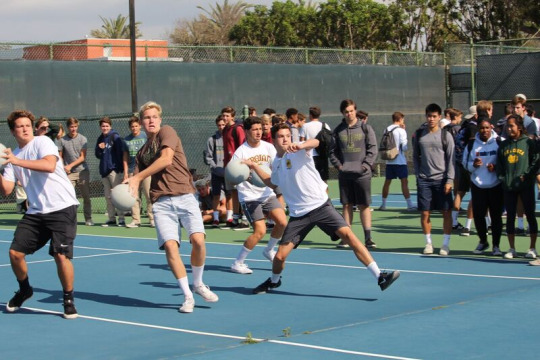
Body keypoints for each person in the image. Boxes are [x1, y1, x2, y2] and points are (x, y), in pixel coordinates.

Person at [245, 123, 399, 294]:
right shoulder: (276, 163)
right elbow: (272, 182)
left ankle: (380, 277)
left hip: (321, 206)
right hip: (299, 216)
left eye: (288, 135)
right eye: (281, 136)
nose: (285, 139)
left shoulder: (299, 151)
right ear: (273, 140)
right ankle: (274, 281)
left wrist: (302, 144)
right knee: (280, 256)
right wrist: (254, 167)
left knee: (349, 235)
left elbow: (316, 143)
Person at [128, 101, 219, 313]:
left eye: (154, 117)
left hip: (185, 195)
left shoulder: (167, 132)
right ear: (141, 123)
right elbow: (135, 178)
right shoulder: (142, 153)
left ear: (159, 119)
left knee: (198, 240)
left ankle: (198, 283)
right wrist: (128, 186)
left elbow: (166, 159)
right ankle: (188, 295)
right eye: (146, 117)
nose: (150, 120)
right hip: (161, 202)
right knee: (171, 246)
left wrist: (139, 177)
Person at [1, 109, 80, 319]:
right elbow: (7, 189)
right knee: (15, 254)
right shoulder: (12, 156)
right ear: (13, 130)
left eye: (28, 125)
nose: (25, 128)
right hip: (36, 211)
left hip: (62, 207)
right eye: (20, 126)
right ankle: (25, 289)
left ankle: (68, 298)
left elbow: (48, 165)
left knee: (60, 255)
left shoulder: (42, 142)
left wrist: (15, 162)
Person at [230, 116, 287, 274]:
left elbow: (276, 166)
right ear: (247, 131)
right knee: (260, 231)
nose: (258, 132)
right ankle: (238, 262)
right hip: (249, 197)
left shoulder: (269, 147)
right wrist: (248, 176)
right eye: (254, 129)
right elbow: (234, 176)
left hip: (267, 193)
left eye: (260, 129)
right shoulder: (241, 153)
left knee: (282, 222)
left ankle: (269, 250)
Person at [329, 99, 378, 249]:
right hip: (345, 174)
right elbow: (332, 152)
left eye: (351, 111)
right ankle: (346, 238)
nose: (349, 114)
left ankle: (368, 238)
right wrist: (339, 166)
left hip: (362, 174)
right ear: (342, 113)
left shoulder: (365, 128)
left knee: (364, 205)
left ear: (355, 110)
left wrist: (365, 166)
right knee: (346, 205)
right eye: (346, 112)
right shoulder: (338, 130)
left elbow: (373, 148)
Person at [412, 103, 455, 256]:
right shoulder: (419, 135)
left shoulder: (446, 135)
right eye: (429, 116)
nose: (431, 119)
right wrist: (418, 175)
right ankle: (429, 243)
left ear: (439, 117)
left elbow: (451, 159)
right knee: (425, 213)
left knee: (446, 212)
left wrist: (449, 180)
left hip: (442, 180)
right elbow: (415, 157)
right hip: (424, 180)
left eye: (434, 116)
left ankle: (445, 244)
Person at [496, 114, 539, 260]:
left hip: (525, 186)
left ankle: (532, 248)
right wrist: (503, 178)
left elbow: (535, 161)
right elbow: (499, 165)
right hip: (509, 187)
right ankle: (512, 248)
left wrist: (527, 175)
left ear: (519, 127)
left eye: (511, 126)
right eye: (507, 126)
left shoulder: (528, 143)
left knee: (530, 216)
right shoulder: (503, 145)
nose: (509, 129)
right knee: (510, 218)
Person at [462, 118, 504, 256]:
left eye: (487, 128)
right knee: (479, 216)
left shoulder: (499, 142)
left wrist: (496, 168)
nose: (484, 131)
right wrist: (473, 166)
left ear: (491, 127)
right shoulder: (472, 144)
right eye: (482, 128)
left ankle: (496, 245)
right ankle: (483, 241)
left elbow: (505, 163)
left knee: (496, 216)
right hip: (478, 185)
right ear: (478, 129)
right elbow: (465, 164)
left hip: (495, 185)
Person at [58, 117, 94, 226]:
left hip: (83, 172)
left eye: (75, 126)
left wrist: (70, 165)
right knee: (69, 197)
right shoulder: (62, 140)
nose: (73, 129)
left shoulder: (83, 139)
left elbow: (83, 157)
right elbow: (60, 157)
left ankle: (88, 219)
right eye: (71, 127)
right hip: (69, 174)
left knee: (86, 197)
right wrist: (64, 167)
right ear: (68, 127)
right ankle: (70, 219)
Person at [95, 116, 128, 227]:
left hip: (114, 171)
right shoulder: (100, 138)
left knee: (117, 196)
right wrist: (100, 148)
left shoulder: (115, 137)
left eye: (107, 126)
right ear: (100, 127)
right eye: (103, 126)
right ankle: (111, 218)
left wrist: (119, 169)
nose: (105, 128)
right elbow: (98, 155)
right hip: (104, 171)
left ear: (110, 126)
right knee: (108, 196)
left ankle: (122, 219)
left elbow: (120, 154)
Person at [379, 111, 416, 211]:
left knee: (387, 182)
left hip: (389, 161)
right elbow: (404, 147)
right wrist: (404, 132)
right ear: (400, 119)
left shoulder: (386, 129)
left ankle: (383, 205)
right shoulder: (401, 131)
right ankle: (409, 205)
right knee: (404, 182)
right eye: (402, 119)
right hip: (400, 161)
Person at [124, 116, 154, 228]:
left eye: (136, 126)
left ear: (140, 126)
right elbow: (125, 157)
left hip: (146, 170)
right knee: (134, 196)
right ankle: (136, 220)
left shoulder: (146, 136)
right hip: (133, 171)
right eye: (132, 126)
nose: (134, 128)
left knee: (149, 195)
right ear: (129, 127)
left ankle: (152, 219)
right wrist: (126, 173)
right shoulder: (126, 140)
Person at [221, 106, 248, 229]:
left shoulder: (238, 129)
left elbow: (242, 147)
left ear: (233, 117)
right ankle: (235, 218)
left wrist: (240, 164)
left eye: (227, 116)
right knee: (232, 192)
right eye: (223, 116)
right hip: (228, 167)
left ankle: (245, 219)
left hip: (238, 167)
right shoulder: (225, 130)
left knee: (242, 191)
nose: (225, 118)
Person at [204, 114, 231, 227]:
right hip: (216, 173)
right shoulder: (212, 139)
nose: (221, 127)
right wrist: (215, 167)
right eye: (219, 125)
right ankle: (215, 219)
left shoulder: (230, 138)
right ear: (217, 125)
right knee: (216, 195)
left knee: (229, 195)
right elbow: (208, 157)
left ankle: (230, 218)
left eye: (223, 124)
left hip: (229, 172)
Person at [298, 106, 331, 182]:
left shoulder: (305, 126)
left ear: (310, 115)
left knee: (311, 181)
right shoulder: (325, 125)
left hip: (310, 157)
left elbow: (301, 142)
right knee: (324, 181)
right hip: (323, 156)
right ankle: (325, 194)